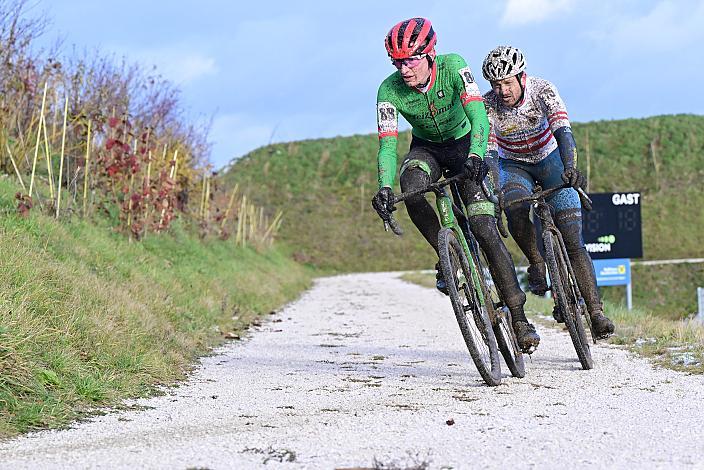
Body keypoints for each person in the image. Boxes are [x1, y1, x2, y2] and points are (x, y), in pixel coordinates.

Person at [371, 18, 540, 352]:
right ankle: (446, 253)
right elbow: (388, 146)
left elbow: (479, 117)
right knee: (412, 185)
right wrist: (384, 187)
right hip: (426, 148)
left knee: (483, 226)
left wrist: (477, 155)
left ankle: (519, 319)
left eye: (411, 60)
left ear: (431, 54)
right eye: (397, 62)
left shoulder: (454, 66)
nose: (404, 69)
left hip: (467, 144)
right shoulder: (388, 91)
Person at [481, 45, 615, 339]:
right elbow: (489, 152)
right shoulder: (487, 105)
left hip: (550, 159)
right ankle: (536, 261)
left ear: (521, 76)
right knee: (514, 206)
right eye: (495, 85)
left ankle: (595, 312)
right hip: (513, 165)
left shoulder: (543, 90)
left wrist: (571, 167)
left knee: (572, 238)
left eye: (507, 82)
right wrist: (493, 183)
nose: (502, 90)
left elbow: (563, 132)